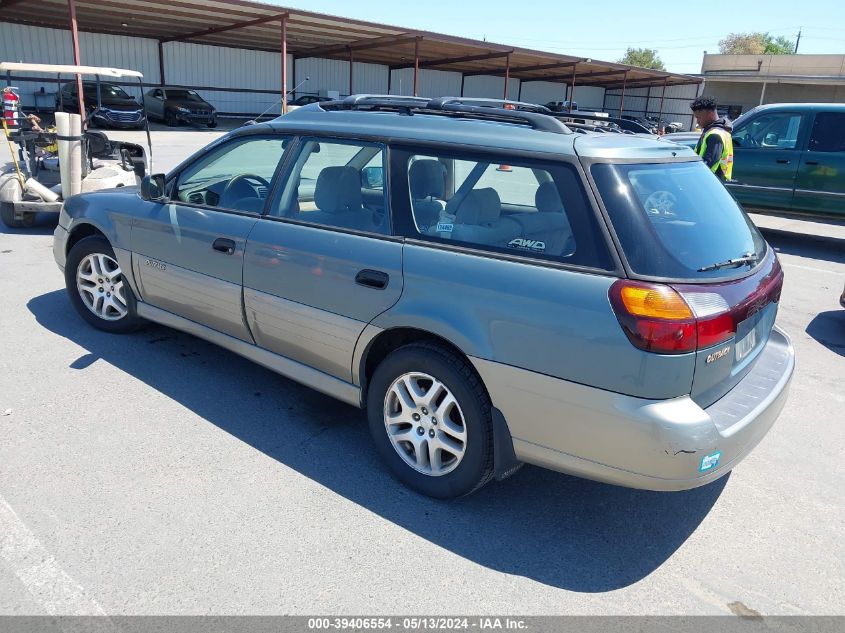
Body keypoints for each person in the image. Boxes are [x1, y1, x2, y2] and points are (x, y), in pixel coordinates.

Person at [690, 96, 733, 181]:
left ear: (710, 114)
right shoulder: (721, 131)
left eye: (699, 117)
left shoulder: (715, 135)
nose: (697, 121)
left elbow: (709, 163)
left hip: (709, 180)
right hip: (717, 181)